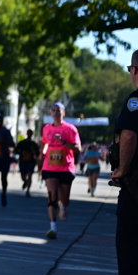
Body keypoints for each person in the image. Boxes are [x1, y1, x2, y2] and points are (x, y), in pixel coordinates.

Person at [92, 51, 138, 275]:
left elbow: (129, 135)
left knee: (130, 245)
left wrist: (121, 169)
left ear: (135, 69)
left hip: (135, 188)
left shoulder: (136, 100)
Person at [40, 102, 81, 239]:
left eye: (58, 110)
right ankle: (53, 227)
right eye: (53, 110)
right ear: (50, 113)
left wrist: (63, 142)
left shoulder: (70, 129)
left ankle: (64, 206)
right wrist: (42, 153)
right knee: (52, 195)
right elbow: (44, 143)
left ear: (63, 113)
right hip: (49, 167)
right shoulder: (46, 128)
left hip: (65, 168)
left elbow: (78, 148)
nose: (56, 113)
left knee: (64, 199)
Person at [14, 129, 41, 197]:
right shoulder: (21, 143)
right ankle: (25, 182)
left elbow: (38, 153)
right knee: (23, 176)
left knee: (30, 175)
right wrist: (21, 152)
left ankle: (28, 190)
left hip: (31, 162)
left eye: (30, 133)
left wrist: (34, 153)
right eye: (28, 133)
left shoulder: (34, 144)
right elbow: (15, 151)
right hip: (23, 161)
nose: (29, 135)